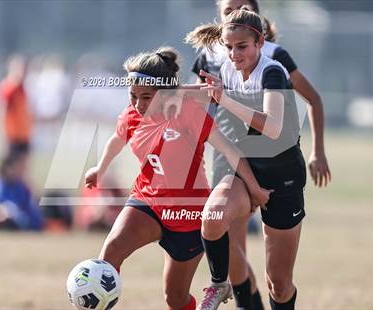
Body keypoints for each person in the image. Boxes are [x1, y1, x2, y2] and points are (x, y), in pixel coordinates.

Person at [84, 47, 270, 310]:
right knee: (110, 252)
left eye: (146, 97)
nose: (138, 104)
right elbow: (117, 139)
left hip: (189, 216)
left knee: (175, 299)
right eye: (133, 96)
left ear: (167, 93)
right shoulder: (132, 115)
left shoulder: (189, 113)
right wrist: (99, 169)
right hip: (147, 202)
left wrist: (255, 190)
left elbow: (230, 150)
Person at [183, 7, 325, 310]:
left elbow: (273, 127)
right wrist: (163, 91)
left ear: (260, 43)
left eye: (242, 46)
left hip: (283, 179)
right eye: (229, 47)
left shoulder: (272, 71)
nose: (234, 54)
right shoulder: (226, 73)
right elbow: (228, 137)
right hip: (246, 172)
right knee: (212, 217)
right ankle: (220, 284)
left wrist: (225, 98)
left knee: (279, 283)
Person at [0, 55, 32, 155]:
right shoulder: (8, 87)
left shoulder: (22, 87)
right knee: (11, 167)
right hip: (12, 136)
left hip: (23, 135)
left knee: (23, 167)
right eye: (22, 68)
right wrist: (3, 136)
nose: (25, 72)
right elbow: (1, 112)